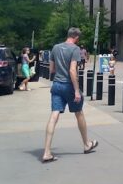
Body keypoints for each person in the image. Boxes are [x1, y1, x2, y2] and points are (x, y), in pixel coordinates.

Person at [42, 27, 98, 163]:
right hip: (69, 86)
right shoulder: (75, 49)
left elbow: (52, 69)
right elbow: (73, 71)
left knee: (54, 115)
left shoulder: (55, 48)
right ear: (76, 37)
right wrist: (77, 90)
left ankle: (47, 152)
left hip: (56, 85)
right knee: (79, 113)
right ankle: (86, 144)